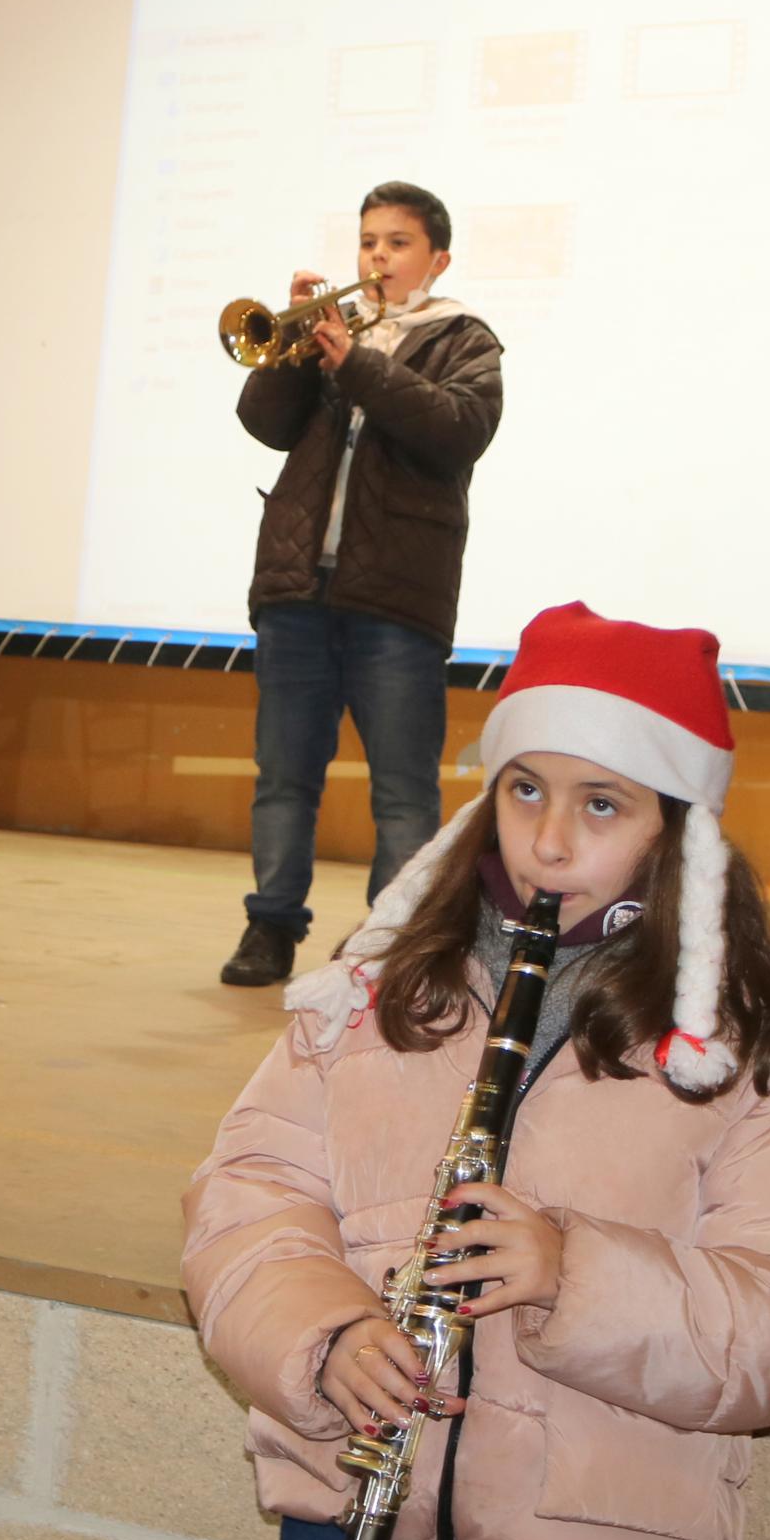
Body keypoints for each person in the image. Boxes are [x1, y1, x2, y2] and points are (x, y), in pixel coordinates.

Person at [186, 604, 770, 1540]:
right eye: (525, 789)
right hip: (351, 1526)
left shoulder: (747, 1041)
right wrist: (322, 1336)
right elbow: (247, 1191)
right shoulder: (379, 984)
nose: (549, 840)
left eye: (600, 802)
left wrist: (577, 1277)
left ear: (676, 827)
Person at [222, 182, 505, 988]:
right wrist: (292, 339)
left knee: (403, 790)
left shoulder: (465, 340)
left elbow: (456, 432)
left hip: (397, 599)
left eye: (397, 243)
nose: (377, 257)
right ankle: (269, 930)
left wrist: (363, 367)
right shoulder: (326, 333)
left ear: (437, 258)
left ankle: (392, 945)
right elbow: (265, 424)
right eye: (368, 242)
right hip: (297, 592)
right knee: (284, 775)